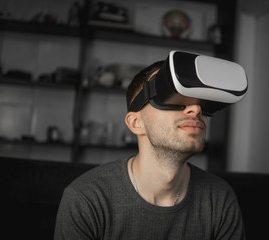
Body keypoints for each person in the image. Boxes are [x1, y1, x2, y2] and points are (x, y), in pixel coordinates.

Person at [54, 50, 247, 240]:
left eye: (202, 104)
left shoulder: (220, 199)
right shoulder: (86, 199)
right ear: (136, 123)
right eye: (174, 99)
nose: (196, 110)